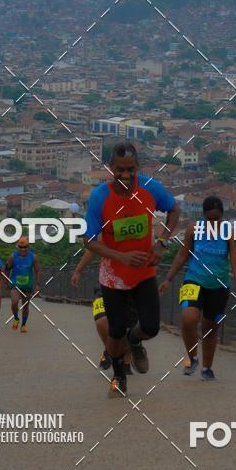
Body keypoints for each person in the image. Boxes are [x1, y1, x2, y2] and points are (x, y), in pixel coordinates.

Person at [84, 142, 180, 398]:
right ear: (110, 168)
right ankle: (118, 375)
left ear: (138, 167)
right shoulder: (99, 198)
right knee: (114, 331)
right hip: (113, 277)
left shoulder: (150, 188)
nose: (125, 176)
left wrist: (161, 243)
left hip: (143, 273)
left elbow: (174, 210)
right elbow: (89, 240)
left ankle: (135, 340)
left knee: (150, 327)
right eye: (119, 170)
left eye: (130, 170)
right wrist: (121, 256)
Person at [159, 196, 236, 380]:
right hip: (193, 280)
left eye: (217, 219)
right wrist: (168, 278)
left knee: (210, 328)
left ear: (222, 216)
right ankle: (192, 358)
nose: (213, 223)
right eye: (210, 220)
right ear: (204, 217)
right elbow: (183, 255)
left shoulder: (230, 233)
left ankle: (207, 368)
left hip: (219, 286)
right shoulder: (194, 229)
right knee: (188, 317)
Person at [70, 249, 134, 374]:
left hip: (132, 282)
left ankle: (125, 360)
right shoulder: (104, 231)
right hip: (105, 281)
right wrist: (78, 271)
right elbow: (92, 249)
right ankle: (111, 351)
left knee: (130, 327)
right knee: (101, 321)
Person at [6, 236, 41, 333]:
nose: (23, 249)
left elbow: (37, 270)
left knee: (25, 306)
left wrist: (38, 284)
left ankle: (23, 324)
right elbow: (6, 270)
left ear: (28, 247)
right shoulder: (12, 257)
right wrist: (7, 282)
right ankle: (16, 318)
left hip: (27, 286)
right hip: (15, 285)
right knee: (14, 302)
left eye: (25, 247)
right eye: (20, 247)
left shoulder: (33, 257)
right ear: (17, 247)